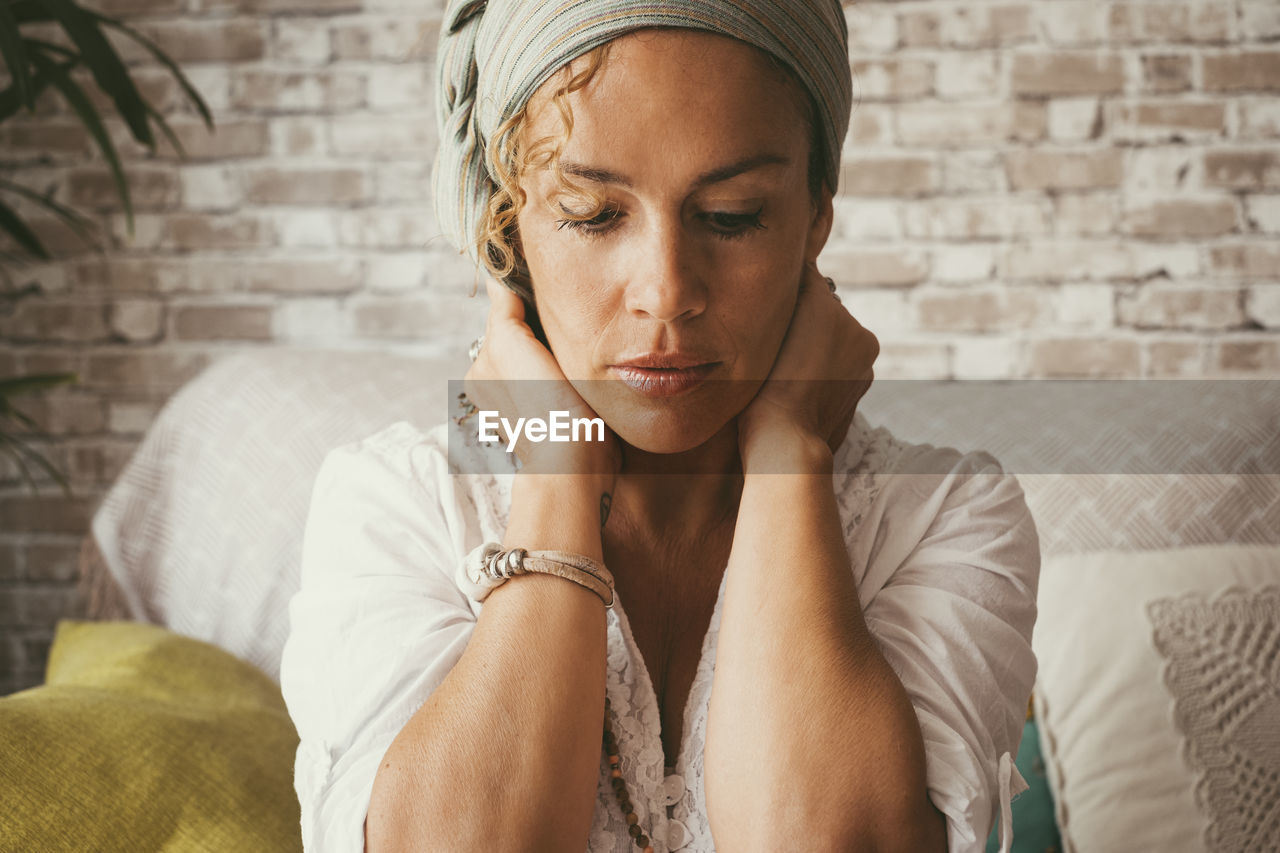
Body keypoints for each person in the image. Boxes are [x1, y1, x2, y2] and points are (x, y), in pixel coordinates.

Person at [279, 2, 1040, 852]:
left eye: (732, 215)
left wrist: (790, 446)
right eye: (593, 214)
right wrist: (559, 477)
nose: (667, 289)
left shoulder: (946, 514)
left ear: (815, 216)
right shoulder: (394, 503)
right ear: (508, 229)